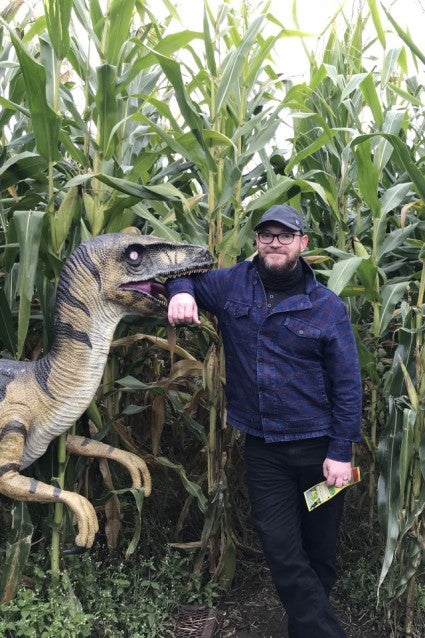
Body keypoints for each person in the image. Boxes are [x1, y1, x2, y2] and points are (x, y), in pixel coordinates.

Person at [167, 204, 362, 638]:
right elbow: (181, 274)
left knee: (319, 551)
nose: (275, 242)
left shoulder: (327, 307)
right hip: (264, 447)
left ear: (302, 244)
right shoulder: (232, 284)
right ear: (256, 240)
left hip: (319, 447)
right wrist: (182, 292)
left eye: (285, 235)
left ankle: (304, 629)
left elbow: (348, 384)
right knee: (279, 545)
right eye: (267, 235)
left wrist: (341, 451)